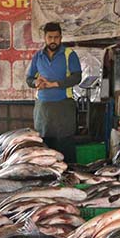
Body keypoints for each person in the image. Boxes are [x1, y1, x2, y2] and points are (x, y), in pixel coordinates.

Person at [26, 22, 82, 162]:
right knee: (45, 144)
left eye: (56, 37)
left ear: (61, 37)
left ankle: (69, 175)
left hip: (64, 106)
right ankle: (48, 178)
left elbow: (77, 77)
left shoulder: (70, 55)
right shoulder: (38, 56)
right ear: (44, 37)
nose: (53, 40)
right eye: (50, 37)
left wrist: (55, 84)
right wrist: (35, 82)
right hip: (43, 107)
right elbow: (29, 78)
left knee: (65, 143)